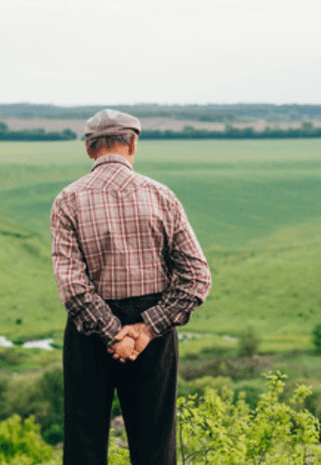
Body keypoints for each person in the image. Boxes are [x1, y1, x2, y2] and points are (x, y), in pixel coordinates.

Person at [51, 109, 212, 465]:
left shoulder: (68, 199)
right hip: (152, 335)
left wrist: (112, 334)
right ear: (133, 143)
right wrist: (142, 330)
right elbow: (197, 278)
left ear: (90, 149)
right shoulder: (162, 196)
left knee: (84, 443)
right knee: (155, 444)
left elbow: (73, 288)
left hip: (89, 333)